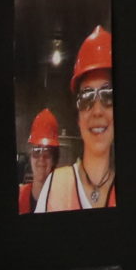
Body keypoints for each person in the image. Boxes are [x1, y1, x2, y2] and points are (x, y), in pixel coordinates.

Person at [34, 27, 113, 212]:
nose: (97, 111)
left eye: (108, 94)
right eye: (86, 97)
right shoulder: (55, 187)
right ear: (78, 118)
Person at [18, 108, 61, 214]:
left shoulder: (64, 200)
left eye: (47, 152)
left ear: (54, 158)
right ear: (30, 156)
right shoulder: (19, 196)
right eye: (36, 151)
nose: (41, 158)